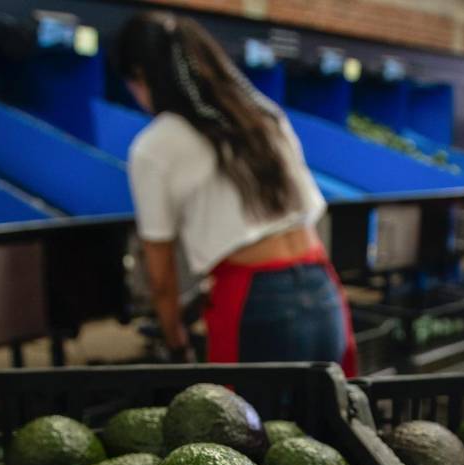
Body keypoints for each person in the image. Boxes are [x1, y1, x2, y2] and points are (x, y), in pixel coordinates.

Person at [116, 12, 356, 373]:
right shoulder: (263, 117)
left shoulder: (154, 146)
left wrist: (176, 345)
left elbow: (161, 279)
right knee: (322, 422)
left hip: (255, 300)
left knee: (248, 427)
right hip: (323, 289)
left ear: (140, 75)